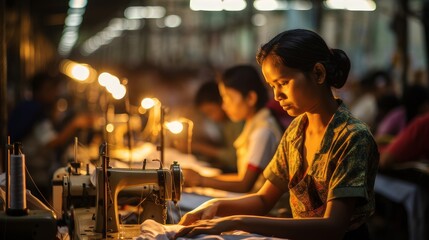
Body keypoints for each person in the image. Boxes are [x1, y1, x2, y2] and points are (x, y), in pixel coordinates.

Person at [175, 29, 379, 240]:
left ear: (318, 73)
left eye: (283, 83)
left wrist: (238, 221)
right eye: (272, 86)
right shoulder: (296, 131)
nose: (277, 95)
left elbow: (333, 226)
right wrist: (214, 206)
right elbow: (264, 199)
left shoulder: (352, 138)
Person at [183, 65, 283, 194]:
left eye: (229, 97)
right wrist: (200, 178)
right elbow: (240, 176)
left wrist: (200, 180)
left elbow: (244, 184)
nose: (224, 105)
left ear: (251, 98)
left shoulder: (263, 131)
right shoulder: (253, 122)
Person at [7, 72, 96, 201]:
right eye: (49, 89)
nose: (53, 93)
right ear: (37, 91)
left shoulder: (35, 109)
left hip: (36, 171)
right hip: (33, 177)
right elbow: (53, 141)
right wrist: (75, 124)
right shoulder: (33, 112)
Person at [190, 80, 244, 173]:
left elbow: (234, 158)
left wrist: (200, 147)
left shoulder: (237, 121)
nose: (211, 118)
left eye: (211, 112)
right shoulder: (226, 124)